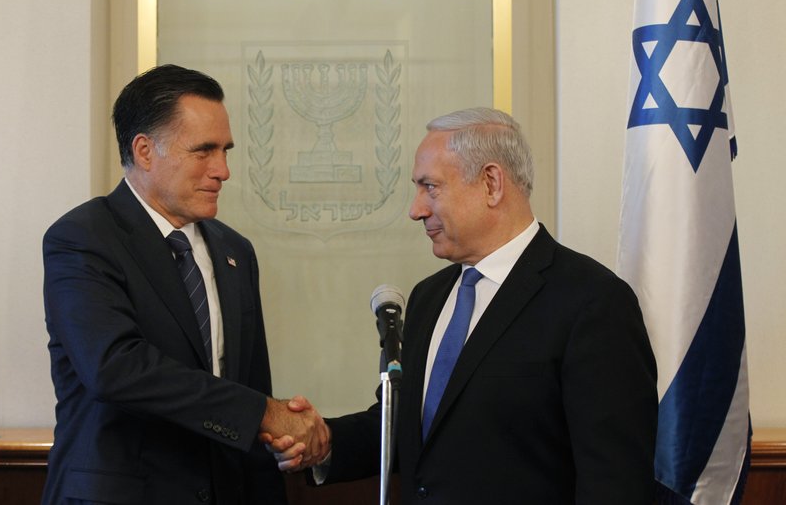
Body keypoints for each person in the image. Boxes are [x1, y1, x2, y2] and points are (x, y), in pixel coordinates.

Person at [267, 107, 658, 504]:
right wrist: (322, 440)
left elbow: (615, 482)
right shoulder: (428, 297)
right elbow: (412, 428)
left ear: (491, 183)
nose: (416, 209)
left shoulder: (592, 302)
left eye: (430, 187)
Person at [42, 64, 329, 504]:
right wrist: (263, 414)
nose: (223, 170)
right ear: (144, 151)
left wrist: (272, 429)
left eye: (226, 151)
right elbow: (114, 369)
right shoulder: (84, 238)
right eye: (204, 151)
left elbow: (249, 385)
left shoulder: (235, 251)